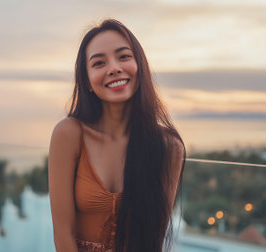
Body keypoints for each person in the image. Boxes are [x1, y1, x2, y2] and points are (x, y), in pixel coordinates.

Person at [48, 19, 185, 252]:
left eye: (123, 56)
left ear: (139, 67)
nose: (113, 68)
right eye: (99, 63)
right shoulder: (69, 134)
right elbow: (63, 235)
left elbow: (153, 241)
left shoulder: (169, 147)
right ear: (88, 82)